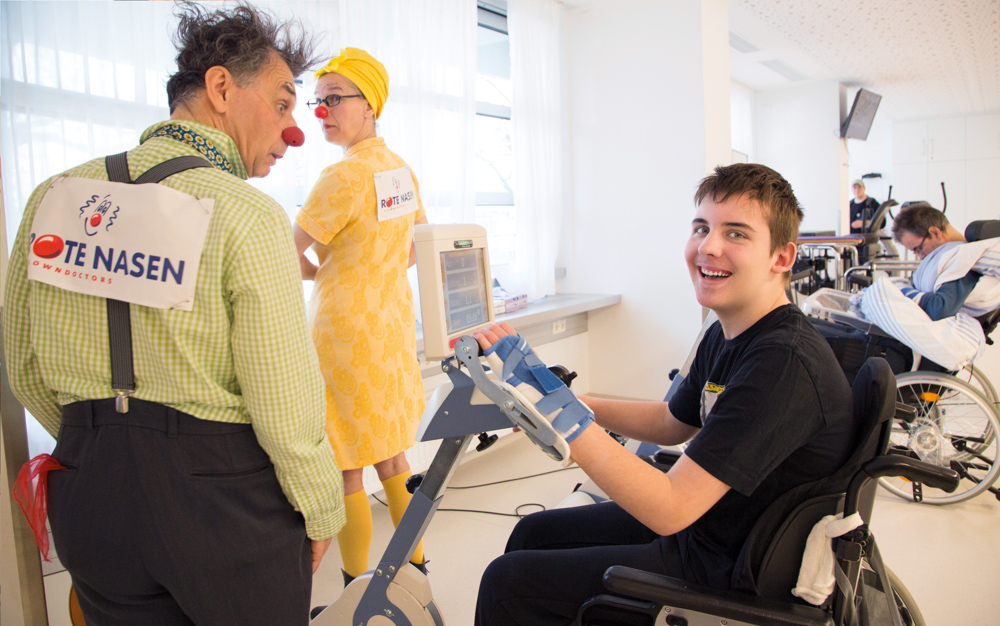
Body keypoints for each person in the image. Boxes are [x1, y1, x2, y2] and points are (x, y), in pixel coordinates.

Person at [3, 3, 345, 624]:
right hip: (223, 505)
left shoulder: (52, 197)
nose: (293, 130)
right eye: (282, 102)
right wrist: (321, 508)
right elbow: (283, 399)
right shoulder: (248, 214)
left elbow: (23, 366)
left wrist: (101, 439)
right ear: (220, 88)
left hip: (91, 500)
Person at [472, 163, 857, 625]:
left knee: (506, 583)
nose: (708, 247)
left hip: (729, 563)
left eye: (736, 234)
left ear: (782, 258)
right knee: (532, 534)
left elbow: (670, 508)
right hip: (713, 524)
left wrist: (559, 414)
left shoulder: (783, 362)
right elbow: (672, 424)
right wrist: (573, 401)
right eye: (701, 227)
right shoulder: (729, 330)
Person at [293, 47, 429, 588]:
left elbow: (288, 248)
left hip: (344, 332)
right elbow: (416, 246)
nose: (322, 111)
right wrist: (373, 270)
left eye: (334, 99)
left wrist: (329, 274)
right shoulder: (399, 170)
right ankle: (416, 573)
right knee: (393, 456)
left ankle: (355, 585)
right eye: (316, 101)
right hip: (391, 323)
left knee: (348, 461)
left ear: (369, 103)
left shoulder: (344, 176)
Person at [891, 203, 979, 320]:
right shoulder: (945, 256)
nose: (921, 257)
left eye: (919, 249)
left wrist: (903, 291)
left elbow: (939, 309)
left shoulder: (962, 257)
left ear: (935, 233)